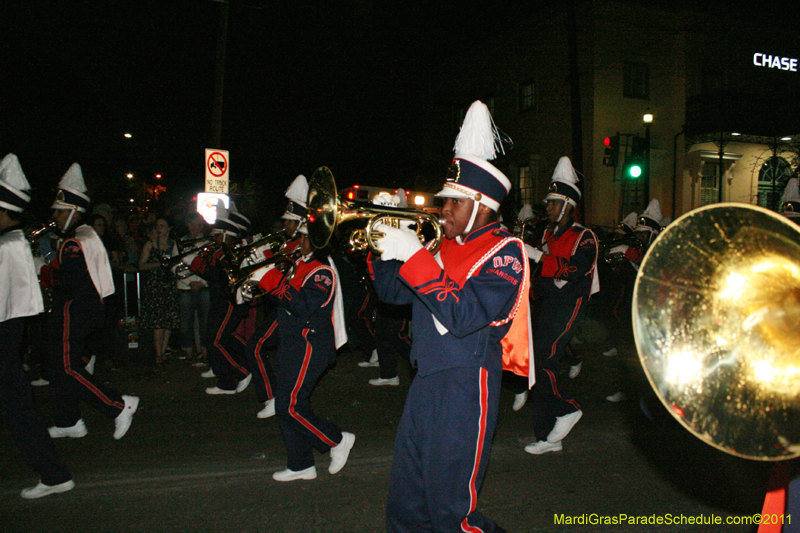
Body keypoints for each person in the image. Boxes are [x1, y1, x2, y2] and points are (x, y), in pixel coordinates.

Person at [370, 100, 531, 532]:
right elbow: (390, 293)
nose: (443, 210)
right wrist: (386, 243)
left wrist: (416, 254)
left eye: (453, 203)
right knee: (406, 504)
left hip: (465, 385)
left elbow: (463, 315)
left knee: (451, 513)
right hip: (425, 381)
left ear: (481, 204)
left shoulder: (506, 253)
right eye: (445, 202)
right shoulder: (444, 246)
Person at [39, 163, 138, 441]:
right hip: (82, 308)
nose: (55, 217)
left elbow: (65, 280)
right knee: (60, 368)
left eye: (59, 211)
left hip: (74, 309)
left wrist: (44, 270)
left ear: (72, 210)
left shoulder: (75, 242)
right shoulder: (83, 236)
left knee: (67, 368)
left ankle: (118, 405)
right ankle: (68, 420)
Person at [252, 220, 353, 482]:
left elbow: (303, 306)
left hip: (311, 345)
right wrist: (259, 261)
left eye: (304, 237)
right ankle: (301, 465)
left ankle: (337, 439)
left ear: (317, 242)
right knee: (287, 404)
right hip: (293, 342)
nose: (299, 241)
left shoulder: (322, 271)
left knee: (290, 407)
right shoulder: (300, 260)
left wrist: (269, 278)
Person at [0, 153, 74, 499]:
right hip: (8, 335)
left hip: (5, 334)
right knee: (20, 408)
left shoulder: (9, 245)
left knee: (19, 409)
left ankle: (54, 472)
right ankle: (54, 472)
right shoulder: (11, 243)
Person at [523, 156, 599, 455]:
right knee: (538, 365)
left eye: (554, 203)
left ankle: (567, 408)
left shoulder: (585, 236)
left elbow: (574, 270)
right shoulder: (547, 234)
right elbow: (545, 272)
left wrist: (540, 258)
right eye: (549, 203)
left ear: (569, 205)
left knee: (545, 360)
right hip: (548, 304)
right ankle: (546, 437)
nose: (549, 208)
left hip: (569, 306)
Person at [188, 201, 252, 394]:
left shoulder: (230, 253)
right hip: (220, 300)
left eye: (216, 235)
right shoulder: (219, 250)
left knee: (216, 340)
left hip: (230, 302)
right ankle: (227, 375)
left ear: (224, 235)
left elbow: (218, 276)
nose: (213, 238)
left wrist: (200, 265)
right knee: (218, 338)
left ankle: (241, 372)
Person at [138, 216, 180, 365]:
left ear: (169, 228)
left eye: (162, 226)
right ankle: (158, 354)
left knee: (168, 321)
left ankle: (163, 352)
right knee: (157, 321)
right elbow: (141, 265)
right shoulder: (150, 244)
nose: (159, 229)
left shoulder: (174, 245)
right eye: (158, 226)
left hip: (169, 285)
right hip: (155, 285)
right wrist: (159, 264)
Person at [172, 211, 210, 363]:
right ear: (189, 225)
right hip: (185, 287)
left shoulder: (207, 243)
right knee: (186, 321)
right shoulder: (180, 243)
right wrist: (189, 282)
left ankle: (204, 350)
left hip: (203, 286)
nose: (199, 228)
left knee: (205, 321)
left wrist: (203, 282)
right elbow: (175, 265)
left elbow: (210, 265)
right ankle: (187, 350)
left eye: (200, 225)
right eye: (196, 225)